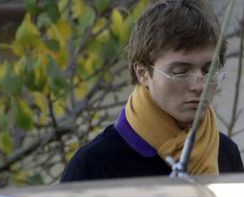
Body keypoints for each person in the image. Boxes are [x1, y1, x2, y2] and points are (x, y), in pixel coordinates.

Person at [61, 0, 243, 182]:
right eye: (180, 72)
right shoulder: (93, 165)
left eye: (209, 71)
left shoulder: (226, 152)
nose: (199, 86)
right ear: (143, 74)